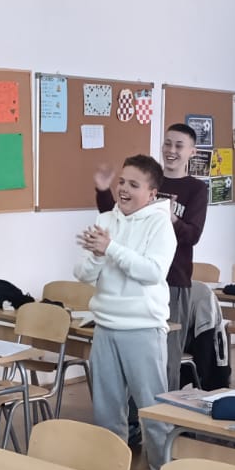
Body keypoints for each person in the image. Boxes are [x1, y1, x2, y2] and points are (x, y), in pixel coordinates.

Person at [94, 122, 209, 437]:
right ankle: (131, 427)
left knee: (162, 364)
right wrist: (103, 191)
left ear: (191, 152)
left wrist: (170, 218)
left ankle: (164, 433)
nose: (171, 150)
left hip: (173, 280)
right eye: (167, 143)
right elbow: (117, 218)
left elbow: (192, 235)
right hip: (129, 280)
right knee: (120, 376)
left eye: (179, 145)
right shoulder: (145, 178)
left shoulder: (196, 189)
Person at [76, 154, 178, 470]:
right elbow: (83, 274)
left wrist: (110, 248)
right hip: (105, 325)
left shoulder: (160, 224)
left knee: (153, 411)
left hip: (143, 328)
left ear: (151, 193)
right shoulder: (106, 220)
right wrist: (97, 256)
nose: (123, 189)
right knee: (106, 413)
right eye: (122, 182)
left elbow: (152, 272)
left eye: (134, 185)